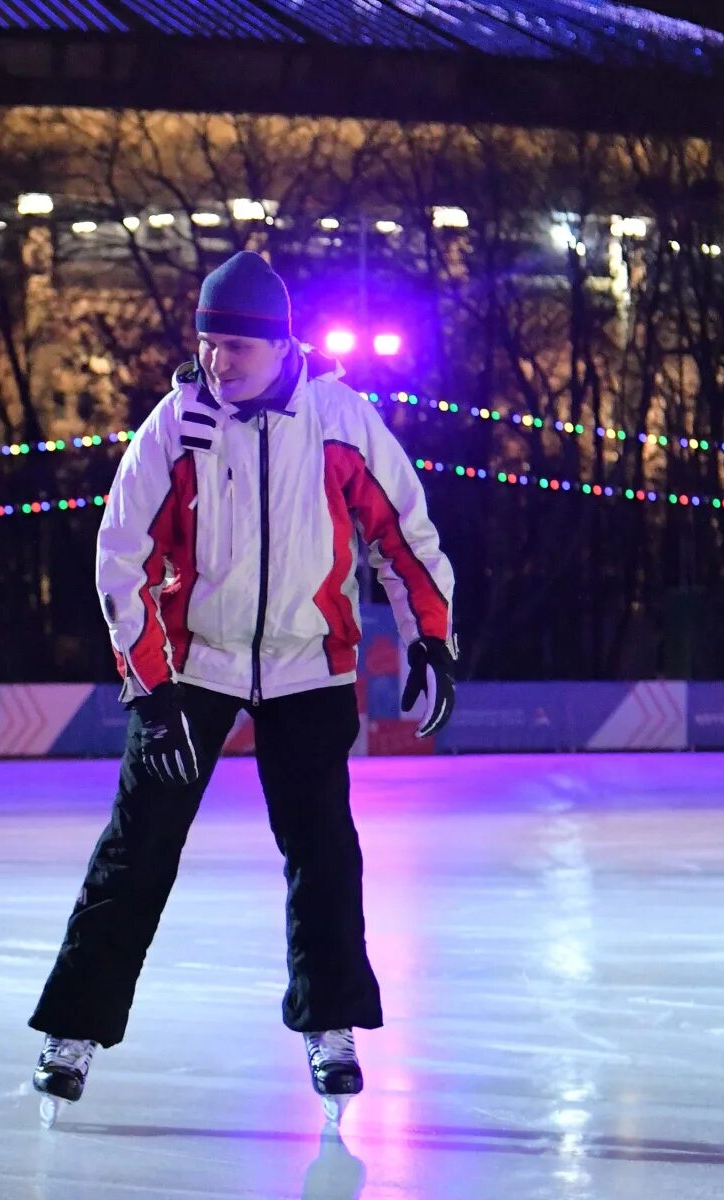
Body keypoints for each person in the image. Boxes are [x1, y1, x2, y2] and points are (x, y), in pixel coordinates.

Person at [28, 251, 457, 1126]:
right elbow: (123, 557)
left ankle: (330, 1024)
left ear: (281, 345)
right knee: (137, 848)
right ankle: (71, 1032)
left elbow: (403, 534)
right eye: (208, 344)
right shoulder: (176, 426)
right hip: (194, 665)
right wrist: (151, 692)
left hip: (309, 663)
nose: (220, 363)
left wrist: (432, 641)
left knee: (324, 852)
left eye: (238, 349)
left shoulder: (340, 421)